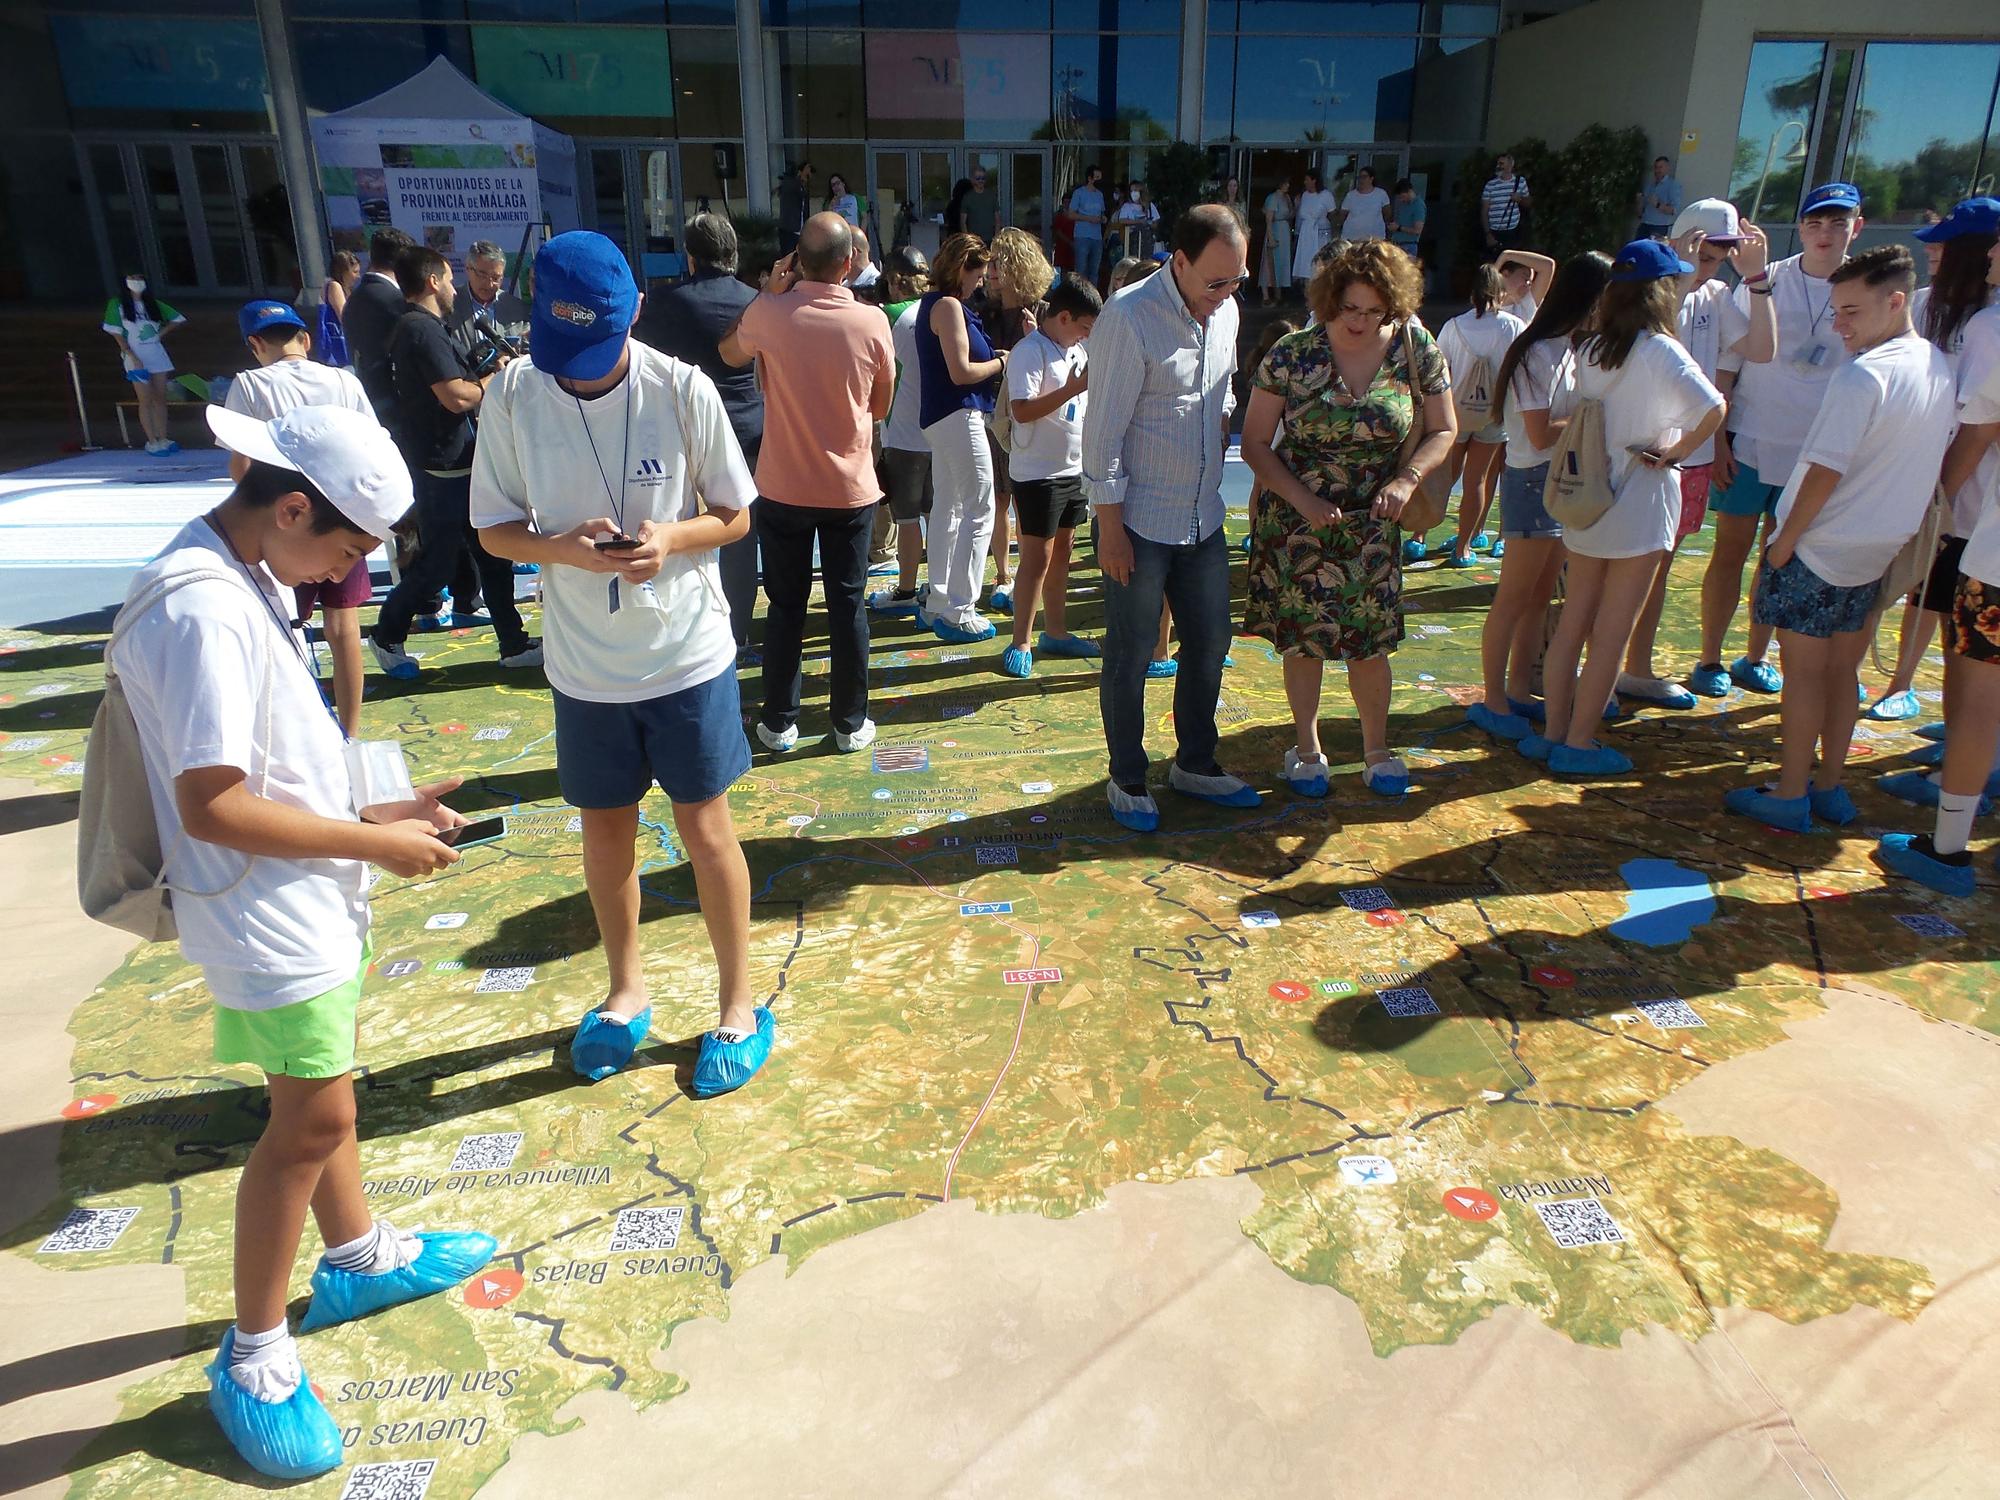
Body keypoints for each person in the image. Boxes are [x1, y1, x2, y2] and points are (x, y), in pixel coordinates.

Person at [116, 403, 490, 1481]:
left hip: (293, 892)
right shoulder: (199, 611)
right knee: (312, 1117)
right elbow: (213, 804)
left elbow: (272, 755)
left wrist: (377, 809)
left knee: (318, 1100)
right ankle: (254, 1354)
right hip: (261, 906)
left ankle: (358, 1256)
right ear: (290, 508)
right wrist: (370, 847)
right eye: (342, 550)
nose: (342, 576)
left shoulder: (238, 573)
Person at [471, 230, 774, 1094]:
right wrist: (557, 548)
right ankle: (624, 992)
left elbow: (735, 513)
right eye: (564, 351)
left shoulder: (682, 389)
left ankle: (737, 1007)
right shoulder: (514, 396)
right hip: (583, 666)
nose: (579, 370)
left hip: (684, 653)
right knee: (603, 832)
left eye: (596, 349)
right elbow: (492, 526)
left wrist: (671, 538)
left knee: (704, 827)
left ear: (637, 312)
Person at [1723, 245, 1954, 831]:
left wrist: (1783, 541)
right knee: (1841, 673)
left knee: (1804, 674)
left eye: (1851, 311)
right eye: (1836, 310)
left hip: (1821, 545)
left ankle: (1790, 794)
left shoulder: (1863, 374)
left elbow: (1826, 468)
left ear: (1895, 301)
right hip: (1877, 548)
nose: (1838, 325)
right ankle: (1828, 787)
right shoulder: (1934, 362)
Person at [1242, 239, 1456, 800]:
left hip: (1375, 519)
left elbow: (1443, 428)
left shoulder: (1417, 346)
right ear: (1328, 299)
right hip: (1296, 521)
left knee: (1370, 643)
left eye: (1374, 311)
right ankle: (1308, 749)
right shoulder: (1292, 352)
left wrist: (1407, 480)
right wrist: (1302, 500)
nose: (1360, 322)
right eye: (1349, 309)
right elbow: (1256, 443)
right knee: (1304, 640)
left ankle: (1376, 749)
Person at [1083, 205, 1259, 832]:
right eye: (1215, 281)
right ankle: (1128, 776)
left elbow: (1224, 393)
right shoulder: (1128, 319)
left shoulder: (1228, 311)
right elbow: (1099, 436)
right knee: (1131, 653)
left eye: (1237, 280)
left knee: (1210, 642)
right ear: (1178, 261)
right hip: (1138, 522)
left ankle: (1196, 761)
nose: (1227, 294)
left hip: (1203, 516)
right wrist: (1109, 529)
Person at [1521, 240, 1726, 779]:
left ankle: (1553, 732)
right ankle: (1580, 742)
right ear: (1663, 291)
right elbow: (1714, 407)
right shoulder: (1662, 350)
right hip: (1640, 499)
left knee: (1573, 623)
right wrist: (1676, 452)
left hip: (1588, 499)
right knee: (1611, 633)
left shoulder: (1591, 349)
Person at [721, 213, 894, 752]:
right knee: (848, 605)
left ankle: (779, 721)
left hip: (783, 486)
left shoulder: (769, 313)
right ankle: (848, 722)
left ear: (796, 260)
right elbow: (880, 406)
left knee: (786, 605)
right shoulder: (872, 323)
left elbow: (728, 353)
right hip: (849, 488)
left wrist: (768, 293)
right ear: (849, 263)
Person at [1693, 181, 1865, 698]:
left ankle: (1755, 654)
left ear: (1857, 227)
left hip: (1817, 455)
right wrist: (1719, 439)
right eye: (1815, 222)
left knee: (1782, 557)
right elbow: (1728, 362)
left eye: (1839, 222)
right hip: (1750, 440)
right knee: (1730, 552)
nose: (1826, 233)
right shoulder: (1763, 279)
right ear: (1801, 228)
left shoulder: (1864, 286)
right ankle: (1709, 658)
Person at [1620, 200, 1776, 708]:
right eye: (1706, 254)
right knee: (1631, 565)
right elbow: (1656, 335)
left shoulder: (1719, 294)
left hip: (1693, 454)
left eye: (1720, 256)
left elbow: (1762, 351)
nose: (1712, 265)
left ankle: (1633, 667)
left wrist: (1757, 282)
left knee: (1658, 565)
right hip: (1649, 452)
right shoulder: (1655, 292)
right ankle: (1621, 667)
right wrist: (1681, 276)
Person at [1875, 290, 2000, 894]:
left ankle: (1948, 849)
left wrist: (1926, 507)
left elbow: (1976, 436)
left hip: (1998, 559)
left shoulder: (1995, 327)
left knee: (1977, 694)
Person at [370, 246, 540, 678]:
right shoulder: (421, 330)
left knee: (494, 552)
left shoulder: (422, 328)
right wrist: (496, 378)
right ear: (431, 281)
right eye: (448, 279)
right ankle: (387, 633)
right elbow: (456, 396)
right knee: (440, 563)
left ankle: (513, 642)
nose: (452, 287)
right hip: (441, 466)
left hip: (455, 461)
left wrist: (483, 369)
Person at [1468, 252, 1614, 742]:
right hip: (1533, 479)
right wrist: (1595, 417)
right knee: (1513, 597)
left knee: (1539, 598)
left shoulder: (1571, 347)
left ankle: (1516, 688)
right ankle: (1492, 698)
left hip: (1558, 479)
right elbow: (1539, 430)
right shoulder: (1537, 350)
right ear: (1590, 299)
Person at [1867, 197, 2000, 721]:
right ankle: (1906, 690)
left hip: (1966, 500)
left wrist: (1937, 496)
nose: (1934, 252)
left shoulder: (1990, 322)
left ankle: (1959, 732)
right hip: (1922, 479)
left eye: (1947, 244)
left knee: (1958, 614)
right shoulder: (1922, 305)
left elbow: (1979, 427)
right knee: (1919, 590)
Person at [222, 299, 376, 738]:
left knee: (283, 626)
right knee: (344, 627)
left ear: (255, 344)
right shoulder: (343, 381)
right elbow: (371, 444)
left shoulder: (250, 384)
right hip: (342, 512)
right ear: (305, 340)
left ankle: (292, 733)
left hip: (282, 524)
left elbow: (241, 465)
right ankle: (349, 732)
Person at [637, 210, 764, 653]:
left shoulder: (667, 302)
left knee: (684, 528)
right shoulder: (756, 300)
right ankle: (740, 631)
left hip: (686, 434)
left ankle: (695, 628)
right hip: (751, 429)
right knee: (741, 530)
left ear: (690, 257)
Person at [1000, 276, 1103, 678]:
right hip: (1037, 473)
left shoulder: (1074, 348)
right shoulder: (1030, 352)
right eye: (1083, 327)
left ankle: (1055, 632)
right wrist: (1074, 388)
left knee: (1063, 553)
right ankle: (1020, 640)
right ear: (1064, 317)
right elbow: (1021, 410)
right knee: (1035, 559)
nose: (1084, 337)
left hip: (1072, 468)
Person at [913, 233, 1006, 643]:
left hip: (941, 417)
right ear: (961, 269)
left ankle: (939, 601)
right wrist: (1003, 360)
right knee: (978, 507)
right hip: (958, 414)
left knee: (949, 507)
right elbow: (962, 372)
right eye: (978, 274)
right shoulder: (949, 306)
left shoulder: (933, 305)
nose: (980, 283)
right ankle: (960, 609)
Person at [1430, 263, 1524, 568]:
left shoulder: (1454, 326)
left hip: (1457, 413)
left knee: (1445, 477)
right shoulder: (1512, 326)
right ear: (1501, 292)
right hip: (1494, 414)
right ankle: (1463, 547)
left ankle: (1418, 536)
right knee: (1478, 481)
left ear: (1472, 294)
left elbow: (1440, 370)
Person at [982, 227, 1053, 612]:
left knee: (1025, 501)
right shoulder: (984, 309)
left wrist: (1034, 338)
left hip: (1031, 414)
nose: (992, 270)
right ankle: (1002, 575)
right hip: (995, 412)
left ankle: (1026, 575)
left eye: (1000, 262)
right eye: (991, 262)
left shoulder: (1042, 310)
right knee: (998, 498)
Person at [868, 247, 936, 617]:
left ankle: (906, 589)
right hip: (940, 432)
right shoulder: (941, 311)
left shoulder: (885, 316)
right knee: (937, 516)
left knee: (907, 519)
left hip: (904, 435)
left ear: (894, 282)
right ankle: (936, 587)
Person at [103, 271, 186, 456]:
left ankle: (163, 437)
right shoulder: (117, 305)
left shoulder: (153, 304)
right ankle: (152, 440)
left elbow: (177, 319)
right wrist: (131, 355)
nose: (137, 282)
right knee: (145, 399)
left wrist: (160, 334)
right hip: (135, 357)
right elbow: (116, 333)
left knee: (160, 398)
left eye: (140, 279)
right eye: (132, 278)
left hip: (156, 354)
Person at [340, 227, 417, 421]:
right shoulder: (396, 300)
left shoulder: (355, 297)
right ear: (403, 263)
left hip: (367, 398)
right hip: (400, 405)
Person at [446, 239, 530, 362]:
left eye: (496, 278)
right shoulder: (449, 304)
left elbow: (527, 353)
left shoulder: (517, 308)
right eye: (482, 275)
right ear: (468, 269)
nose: (489, 284)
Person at [1293, 170, 1337, 287]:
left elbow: (1333, 214)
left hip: (1320, 233)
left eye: (1307, 179)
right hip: (1306, 233)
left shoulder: (1326, 195)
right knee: (1306, 265)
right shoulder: (1305, 195)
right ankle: (1308, 296)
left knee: (1320, 262)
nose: (1305, 182)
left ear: (1314, 180)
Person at [1482, 153, 1531, 257]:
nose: (1498, 166)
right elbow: (1484, 211)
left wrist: (1519, 199)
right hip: (1494, 231)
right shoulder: (1490, 185)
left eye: (1501, 163)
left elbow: (1528, 203)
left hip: (1512, 231)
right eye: (1498, 163)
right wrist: (1488, 234)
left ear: (1510, 165)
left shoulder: (1520, 182)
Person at [317, 250, 360, 369]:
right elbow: (344, 317)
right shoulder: (334, 286)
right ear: (344, 271)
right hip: (338, 346)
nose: (358, 276)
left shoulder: (342, 287)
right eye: (355, 272)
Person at [1069, 164, 1108, 290]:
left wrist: (1102, 218)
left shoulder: (1100, 195)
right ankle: (1079, 296)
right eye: (1096, 177)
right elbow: (1071, 214)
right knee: (1081, 270)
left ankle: (1093, 297)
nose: (1099, 180)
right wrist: (1089, 219)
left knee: (1094, 271)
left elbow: (1102, 212)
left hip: (1097, 237)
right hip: (1082, 235)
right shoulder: (1079, 193)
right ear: (1090, 178)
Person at [1496, 248, 1556, 323]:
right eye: (1525, 277)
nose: (1527, 284)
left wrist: (1507, 255)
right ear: (1505, 274)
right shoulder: (1484, 303)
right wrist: (1503, 258)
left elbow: (1548, 266)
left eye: (1530, 282)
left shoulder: (1525, 306)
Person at [1260, 179, 1294, 307]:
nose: (1288, 185)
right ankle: (1266, 295)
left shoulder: (1287, 198)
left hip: (1284, 231)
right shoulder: (1272, 198)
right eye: (1285, 183)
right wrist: (1271, 238)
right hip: (1275, 231)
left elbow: (1291, 214)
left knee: (1282, 264)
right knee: (1270, 263)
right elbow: (1268, 220)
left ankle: (1278, 295)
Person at [1336, 166, 1393, 243]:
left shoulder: (1381, 194)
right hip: (1352, 237)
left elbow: (1387, 213)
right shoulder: (1351, 195)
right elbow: (1343, 214)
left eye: (1364, 177)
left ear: (1371, 178)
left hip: (1374, 238)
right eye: (1359, 177)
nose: (1361, 180)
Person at [1636, 156, 1683, 239]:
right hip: (1644, 224)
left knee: (1653, 251)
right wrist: (1639, 202)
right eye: (1656, 167)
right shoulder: (1649, 186)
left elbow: (1673, 210)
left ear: (1667, 168)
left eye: (1660, 167)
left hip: (1659, 227)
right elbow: (1640, 213)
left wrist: (1657, 204)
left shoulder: (1673, 186)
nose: (1657, 170)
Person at [1113, 181, 1161, 263]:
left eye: (1135, 190)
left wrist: (1147, 221)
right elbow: (1122, 220)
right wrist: (1138, 221)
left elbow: (1155, 223)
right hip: (1132, 241)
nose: (1133, 193)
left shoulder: (1150, 206)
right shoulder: (1127, 206)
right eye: (1131, 191)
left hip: (1147, 243)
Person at [777, 160, 813, 256]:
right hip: (789, 229)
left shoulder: (800, 186)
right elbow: (794, 188)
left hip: (798, 229)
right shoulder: (789, 183)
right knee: (789, 256)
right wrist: (802, 176)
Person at [1389, 179, 1425, 264]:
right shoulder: (1403, 205)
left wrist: (1399, 228)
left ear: (1409, 191)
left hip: (1408, 246)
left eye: (1402, 197)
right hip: (1397, 245)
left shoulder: (1418, 206)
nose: (1401, 200)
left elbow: (1417, 230)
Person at [962, 165, 1000, 242]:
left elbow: (997, 220)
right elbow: (963, 222)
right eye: (978, 178)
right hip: (974, 241)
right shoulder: (967, 197)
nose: (981, 181)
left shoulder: (991, 196)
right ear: (972, 180)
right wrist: (967, 240)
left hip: (990, 240)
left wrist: (996, 237)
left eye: (983, 178)